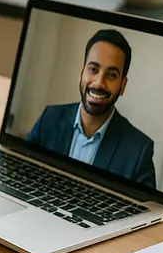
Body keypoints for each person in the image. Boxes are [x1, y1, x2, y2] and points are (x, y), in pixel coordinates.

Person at [25, 29, 156, 189]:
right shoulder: (49, 118)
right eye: (93, 69)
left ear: (122, 85)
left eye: (111, 75)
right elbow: (20, 169)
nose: (99, 83)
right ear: (81, 73)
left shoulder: (139, 150)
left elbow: (148, 210)